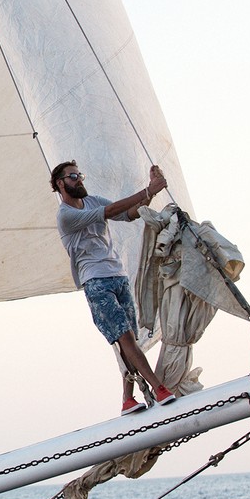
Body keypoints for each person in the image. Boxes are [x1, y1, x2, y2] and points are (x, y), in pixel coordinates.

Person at [51, 161, 178, 416]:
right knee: (125, 337)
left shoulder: (93, 201)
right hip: (95, 281)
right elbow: (110, 211)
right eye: (73, 176)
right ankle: (158, 388)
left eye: (80, 175)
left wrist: (151, 193)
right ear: (60, 184)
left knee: (130, 341)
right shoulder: (65, 215)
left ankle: (127, 399)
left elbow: (129, 213)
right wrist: (148, 190)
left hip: (118, 275)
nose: (79, 179)